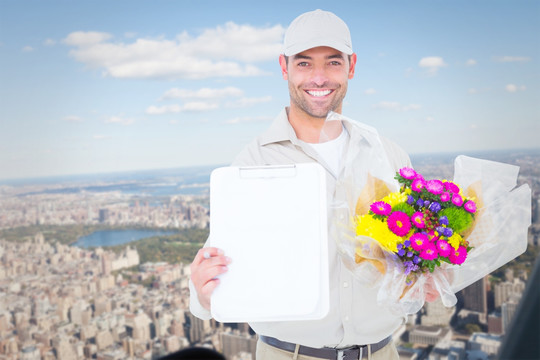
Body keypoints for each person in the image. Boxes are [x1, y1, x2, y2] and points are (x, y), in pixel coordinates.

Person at [189, 9, 437, 360]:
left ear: (351, 66)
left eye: (333, 63)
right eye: (304, 63)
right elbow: (217, 279)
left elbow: (410, 268)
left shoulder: (389, 156)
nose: (319, 77)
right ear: (283, 67)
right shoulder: (254, 162)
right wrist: (203, 294)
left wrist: (426, 277)